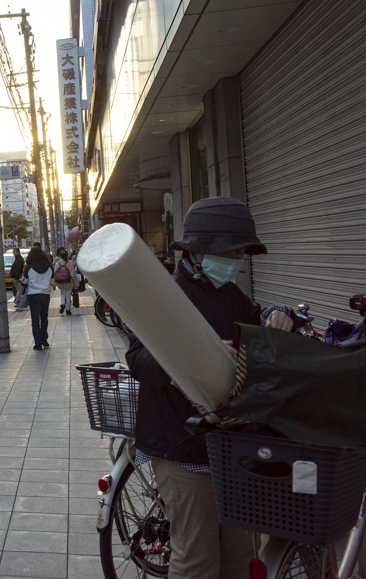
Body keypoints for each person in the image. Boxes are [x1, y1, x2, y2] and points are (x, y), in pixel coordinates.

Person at [126, 196, 295, 579]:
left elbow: (254, 317)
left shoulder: (228, 293)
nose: (236, 261)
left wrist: (274, 316)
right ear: (201, 250)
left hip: (228, 442)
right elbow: (138, 360)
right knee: (198, 558)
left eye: (241, 253)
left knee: (240, 554)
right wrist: (194, 357)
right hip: (180, 444)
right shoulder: (165, 295)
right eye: (230, 251)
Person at [22, 247, 52, 348]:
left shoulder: (29, 268)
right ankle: (44, 338)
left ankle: (37, 342)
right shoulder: (49, 267)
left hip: (33, 295)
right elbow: (52, 278)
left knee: (35, 318)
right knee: (44, 317)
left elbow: (24, 281)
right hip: (45, 294)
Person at [52, 247, 75, 315]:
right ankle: (68, 309)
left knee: (62, 294)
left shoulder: (57, 263)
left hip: (60, 281)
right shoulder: (70, 263)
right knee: (68, 296)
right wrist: (74, 281)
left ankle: (62, 304)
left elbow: (55, 272)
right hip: (68, 281)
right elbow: (72, 273)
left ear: (60, 256)